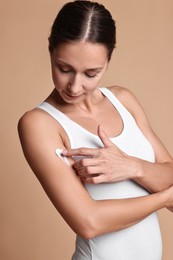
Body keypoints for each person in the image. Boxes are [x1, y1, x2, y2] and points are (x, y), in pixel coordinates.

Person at [18, 1, 173, 259]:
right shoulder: (39, 124)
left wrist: (132, 166)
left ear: (109, 59)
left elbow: (169, 172)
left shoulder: (123, 100)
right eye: (64, 69)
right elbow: (89, 221)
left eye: (91, 73)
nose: (74, 87)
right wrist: (164, 200)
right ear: (50, 50)